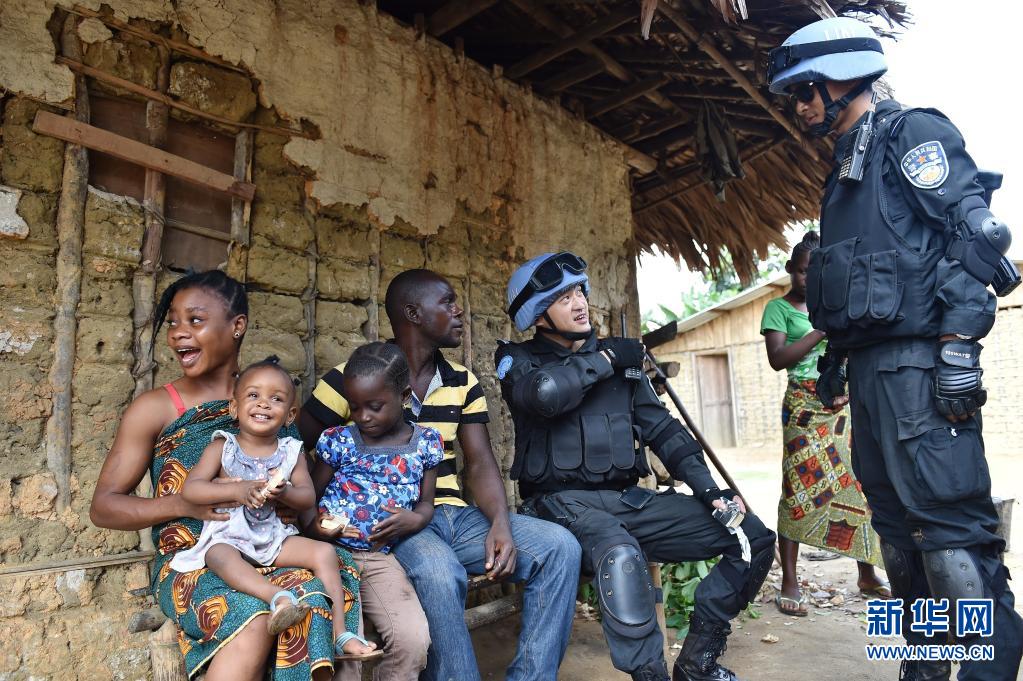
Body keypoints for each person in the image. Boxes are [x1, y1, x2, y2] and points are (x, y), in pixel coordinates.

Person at [768, 16, 1023, 680]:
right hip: (869, 378)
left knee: (950, 539)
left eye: (804, 91)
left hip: (919, 369)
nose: (799, 107)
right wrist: (835, 362)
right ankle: (923, 669)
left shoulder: (909, 133)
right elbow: (851, 280)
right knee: (899, 540)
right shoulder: (843, 170)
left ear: (843, 78)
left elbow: (978, 237)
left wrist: (958, 347)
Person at [495, 252, 776, 681]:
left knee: (750, 536)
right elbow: (544, 395)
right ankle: (651, 675)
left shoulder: (620, 363)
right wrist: (608, 359)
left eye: (579, 291)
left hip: (628, 502)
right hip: (559, 508)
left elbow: (664, 431)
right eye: (563, 298)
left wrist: (710, 491)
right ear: (537, 313)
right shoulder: (518, 361)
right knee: (620, 554)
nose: (579, 303)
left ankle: (697, 663)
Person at [299, 269, 582, 681]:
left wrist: (500, 524)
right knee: (439, 571)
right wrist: (319, 516)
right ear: (414, 314)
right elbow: (294, 446)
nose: (459, 311)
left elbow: (480, 463)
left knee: (560, 547)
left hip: (453, 515)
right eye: (447, 302)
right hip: (398, 525)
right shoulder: (354, 378)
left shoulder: (462, 382)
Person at [89, 270, 354, 681]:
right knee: (251, 618)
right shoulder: (156, 409)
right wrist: (184, 504)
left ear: (237, 326)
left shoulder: (268, 400)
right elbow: (104, 508)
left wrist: (303, 513)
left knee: (318, 595)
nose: (178, 333)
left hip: (270, 548)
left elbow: (297, 496)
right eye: (173, 322)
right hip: (195, 561)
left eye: (195, 320)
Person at [170, 357, 379, 659]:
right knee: (217, 555)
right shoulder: (222, 447)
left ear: (290, 415)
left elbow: (307, 497)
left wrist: (286, 493)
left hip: (275, 537)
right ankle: (279, 598)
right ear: (234, 408)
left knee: (324, 553)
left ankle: (340, 634)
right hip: (230, 535)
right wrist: (236, 489)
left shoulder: (291, 452)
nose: (263, 404)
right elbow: (192, 489)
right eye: (253, 395)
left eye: (276, 399)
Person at [760, 231, 888, 617]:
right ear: (790, 270)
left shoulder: (838, 303)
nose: (808, 279)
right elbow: (778, 359)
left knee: (859, 485)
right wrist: (820, 329)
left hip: (841, 405)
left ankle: (866, 573)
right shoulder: (778, 309)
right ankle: (790, 581)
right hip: (803, 408)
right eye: (802, 271)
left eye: (815, 272)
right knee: (797, 488)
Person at [304, 341, 443, 681]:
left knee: (413, 640)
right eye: (355, 406)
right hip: (332, 557)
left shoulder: (425, 443)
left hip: (380, 561)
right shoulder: (339, 441)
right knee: (345, 652)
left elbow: (427, 504)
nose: (363, 416)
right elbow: (308, 501)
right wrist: (319, 527)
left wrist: (415, 519)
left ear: (404, 395)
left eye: (375, 406)